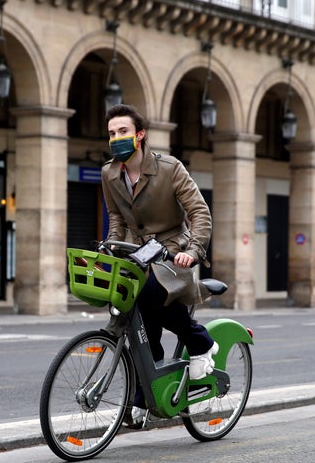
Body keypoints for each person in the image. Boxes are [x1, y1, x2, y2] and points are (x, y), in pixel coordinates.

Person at [101, 104, 218, 427]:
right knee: (131, 313)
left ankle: (201, 342)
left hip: (171, 250)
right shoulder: (110, 173)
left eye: (123, 131)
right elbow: (115, 216)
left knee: (152, 292)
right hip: (136, 252)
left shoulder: (170, 168)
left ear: (140, 135)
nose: (116, 138)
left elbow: (199, 212)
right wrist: (112, 244)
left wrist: (193, 250)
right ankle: (145, 392)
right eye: (112, 133)